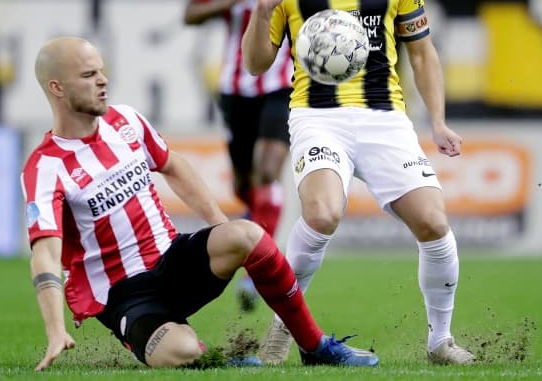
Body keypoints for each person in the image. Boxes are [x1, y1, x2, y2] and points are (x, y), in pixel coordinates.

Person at [22, 36, 379, 370]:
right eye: (88, 75)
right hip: (123, 294)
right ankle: (214, 359)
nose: (102, 80)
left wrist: (217, 222)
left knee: (246, 234)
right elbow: (46, 255)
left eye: (101, 70)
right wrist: (55, 329)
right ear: (57, 88)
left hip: (173, 259)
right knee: (182, 350)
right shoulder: (45, 167)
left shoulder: (125, 120)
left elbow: (173, 164)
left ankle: (314, 346)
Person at [241, 0, 476, 366]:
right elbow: (257, 64)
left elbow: (422, 54)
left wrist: (436, 121)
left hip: (385, 118)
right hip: (317, 116)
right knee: (322, 213)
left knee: (434, 224)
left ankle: (440, 341)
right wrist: (260, 13)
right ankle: (284, 332)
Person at [184, 0, 305, 312]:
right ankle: (257, 239)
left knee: (268, 169)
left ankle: (258, 271)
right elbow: (191, 10)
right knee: (244, 183)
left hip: (286, 81)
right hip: (237, 84)